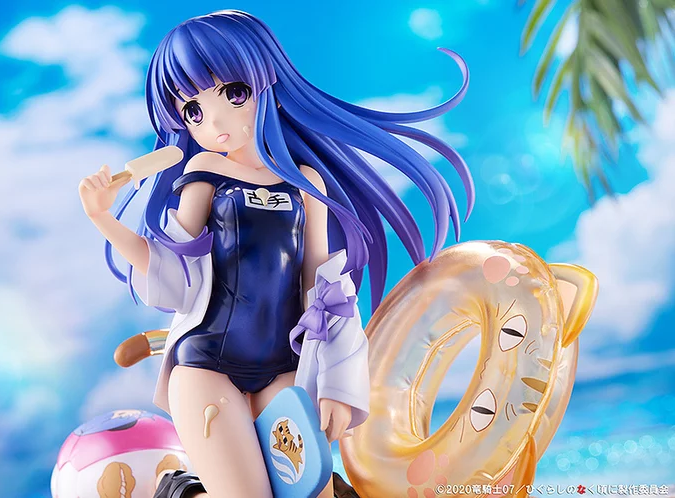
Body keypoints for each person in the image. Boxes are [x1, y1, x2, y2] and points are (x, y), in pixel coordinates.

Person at [78, 10, 473, 498]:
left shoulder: (306, 183)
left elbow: (323, 290)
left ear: (268, 83)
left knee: (314, 490)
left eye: (233, 93)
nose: (214, 121)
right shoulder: (204, 172)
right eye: (193, 111)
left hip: (283, 368)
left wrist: (337, 382)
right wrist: (103, 218)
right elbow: (172, 274)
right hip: (207, 365)